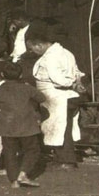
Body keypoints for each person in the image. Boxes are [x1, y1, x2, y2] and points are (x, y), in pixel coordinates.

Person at [26, 23, 85, 170]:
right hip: (67, 97)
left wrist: (71, 84)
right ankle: (61, 158)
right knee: (63, 128)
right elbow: (77, 71)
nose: (32, 51)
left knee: (61, 129)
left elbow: (58, 80)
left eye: (32, 48)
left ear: (39, 45)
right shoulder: (66, 53)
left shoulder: (49, 58)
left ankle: (67, 161)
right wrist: (77, 83)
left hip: (58, 98)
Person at [0, 62, 46, 188]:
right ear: (21, 75)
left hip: (7, 126)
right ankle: (24, 173)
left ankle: (13, 180)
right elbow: (42, 98)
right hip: (28, 125)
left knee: (9, 152)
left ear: (2, 75)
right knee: (32, 150)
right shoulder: (27, 88)